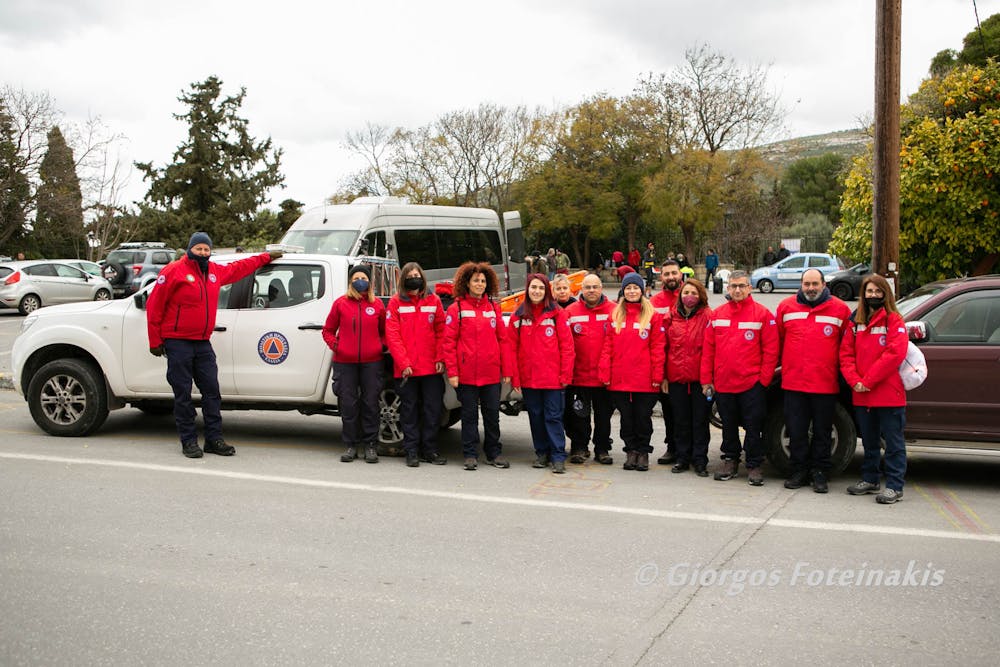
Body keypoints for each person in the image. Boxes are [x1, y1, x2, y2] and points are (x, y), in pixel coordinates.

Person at [146, 231, 280, 458]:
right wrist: (156, 340)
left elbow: (240, 267)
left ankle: (213, 439)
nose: (203, 253)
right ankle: (188, 441)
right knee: (183, 394)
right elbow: (154, 305)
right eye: (199, 249)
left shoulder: (215, 272)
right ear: (190, 249)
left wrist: (265, 257)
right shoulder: (173, 271)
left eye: (206, 249)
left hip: (202, 342)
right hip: (178, 342)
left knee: (212, 392)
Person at [700, 270, 779, 486]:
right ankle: (731, 461)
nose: (737, 290)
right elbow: (708, 350)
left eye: (742, 286)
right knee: (729, 426)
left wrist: (762, 381)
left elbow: (771, 351)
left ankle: (754, 464)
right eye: (733, 286)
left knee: (754, 427)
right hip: (724, 384)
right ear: (728, 288)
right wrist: (706, 380)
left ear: (749, 288)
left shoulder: (762, 314)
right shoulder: (717, 315)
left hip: (751, 384)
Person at [776, 269, 851, 493]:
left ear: (823, 284)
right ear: (801, 284)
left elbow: (847, 345)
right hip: (794, 383)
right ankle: (798, 471)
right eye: (806, 284)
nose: (810, 288)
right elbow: (777, 341)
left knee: (822, 432)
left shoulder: (840, 309)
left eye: (814, 284)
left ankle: (820, 472)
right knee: (796, 430)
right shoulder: (786, 307)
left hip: (825, 383)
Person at [841, 274, 909, 504]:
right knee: (869, 442)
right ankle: (870, 479)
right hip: (862, 395)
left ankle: (895, 486)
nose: (873, 296)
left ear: (885, 294)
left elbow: (894, 355)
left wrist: (867, 380)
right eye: (869, 292)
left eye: (877, 292)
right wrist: (854, 381)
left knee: (893, 443)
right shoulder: (855, 321)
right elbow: (845, 354)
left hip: (888, 394)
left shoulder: (894, 320)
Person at [443, 262, 513, 470]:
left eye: (483, 281)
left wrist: (507, 370)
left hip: (491, 374)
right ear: (467, 283)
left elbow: (503, 340)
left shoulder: (493, 308)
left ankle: (494, 453)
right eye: (476, 281)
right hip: (466, 375)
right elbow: (448, 343)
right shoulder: (456, 309)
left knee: (492, 416)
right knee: (469, 416)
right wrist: (453, 373)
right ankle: (470, 454)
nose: (480, 284)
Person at [508, 274, 575, 473]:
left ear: (547, 290)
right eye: (533, 287)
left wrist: (565, 375)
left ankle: (557, 456)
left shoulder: (557, 314)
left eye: (540, 288)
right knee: (535, 417)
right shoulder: (518, 315)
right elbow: (511, 348)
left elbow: (567, 347)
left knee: (553, 417)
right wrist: (515, 377)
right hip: (529, 379)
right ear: (527, 289)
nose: (536, 291)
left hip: (553, 379)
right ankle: (542, 453)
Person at [599, 272, 666, 471]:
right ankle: (631, 451)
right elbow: (607, 347)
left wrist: (657, 375)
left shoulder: (653, 316)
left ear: (642, 290)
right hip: (620, 378)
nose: (632, 291)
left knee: (642, 417)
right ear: (623, 291)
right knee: (626, 419)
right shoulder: (616, 315)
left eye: (635, 287)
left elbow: (657, 348)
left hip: (644, 380)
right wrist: (605, 372)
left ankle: (643, 452)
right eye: (628, 288)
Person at [385, 262, 448, 467]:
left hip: (431, 367)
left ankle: (429, 449)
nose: (414, 277)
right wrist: (404, 363)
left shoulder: (434, 300)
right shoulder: (395, 303)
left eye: (417, 274)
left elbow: (441, 332)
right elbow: (392, 336)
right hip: (407, 370)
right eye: (410, 275)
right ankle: (411, 450)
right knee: (409, 411)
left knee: (433, 410)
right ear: (404, 278)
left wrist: (440, 358)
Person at [323, 265, 387, 464]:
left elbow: (385, 331)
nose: (361, 281)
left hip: (372, 363)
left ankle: (370, 446)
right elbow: (327, 330)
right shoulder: (340, 304)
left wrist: (379, 346)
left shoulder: (376, 305)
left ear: (370, 282)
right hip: (345, 363)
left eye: (364, 278)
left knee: (370, 404)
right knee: (349, 405)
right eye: (357, 277)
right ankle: (351, 445)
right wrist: (337, 346)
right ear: (350, 281)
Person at [663, 278, 713, 476]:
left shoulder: (708, 316)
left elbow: (711, 349)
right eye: (686, 293)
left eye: (694, 293)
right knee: (680, 421)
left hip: (700, 380)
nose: (689, 297)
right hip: (676, 378)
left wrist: (709, 380)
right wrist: (664, 376)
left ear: (700, 295)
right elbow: (664, 347)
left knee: (699, 421)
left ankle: (700, 460)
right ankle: (682, 458)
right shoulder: (671, 316)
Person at [564, 273, 617, 464]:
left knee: (604, 417)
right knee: (579, 416)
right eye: (587, 287)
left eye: (595, 287)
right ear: (582, 290)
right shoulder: (570, 311)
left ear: (601, 288)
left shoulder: (614, 310)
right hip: (579, 377)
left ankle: (602, 449)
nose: (591, 290)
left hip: (604, 377)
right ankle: (579, 447)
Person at [651, 260, 682, 465]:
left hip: (687, 364)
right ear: (661, 277)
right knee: (669, 411)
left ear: (681, 274)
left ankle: (689, 451)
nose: (671, 277)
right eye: (666, 274)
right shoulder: (654, 302)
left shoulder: (690, 295)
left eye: (674, 273)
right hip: (664, 365)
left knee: (687, 412)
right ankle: (672, 448)